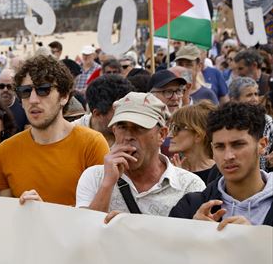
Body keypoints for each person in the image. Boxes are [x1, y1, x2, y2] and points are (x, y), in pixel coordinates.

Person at [0, 54, 109, 206]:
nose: (33, 100)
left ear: (64, 96)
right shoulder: (5, 151)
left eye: (43, 90)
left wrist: (47, 212)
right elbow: (4, 213)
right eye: (25, 91)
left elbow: (100, 214)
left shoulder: (91, 145)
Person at [75, 92, 205, 217]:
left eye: (139, 127)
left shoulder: (189, 185)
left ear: (162, 134)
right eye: (122, 127)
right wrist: (108, 184)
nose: (128, 136)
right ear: (114, 131)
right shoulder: (95, 177)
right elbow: (86, 229)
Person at [170, 102, 272, 227]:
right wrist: (194, 232)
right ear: (212, 149)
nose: (228, 156)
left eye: (238, 145)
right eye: (220, 147)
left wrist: (256, 237)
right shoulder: (190, 206)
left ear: (262, 145)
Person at [227, 77, 273, 171]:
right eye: (249, 95)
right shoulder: (225, 123)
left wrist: (269, 160)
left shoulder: (267, 122)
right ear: (234, 100)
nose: (254, 99)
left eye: (256, 94)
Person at [75, 74, 135, 145]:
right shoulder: (72, 135)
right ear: (97, 114)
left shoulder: (137, 132)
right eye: (119, 112)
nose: (127, 116)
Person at [168, 101, 219, 182]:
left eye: (176, 128)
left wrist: (181, 179)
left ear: (198, 135)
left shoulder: (219, 173)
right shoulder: (170, 168)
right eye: (170, 128)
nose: (169, 135)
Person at [0, 68, 29, 134]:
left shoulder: (23, 107)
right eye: (1, 86)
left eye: (9, 86)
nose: (5, 90)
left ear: (15, 87)